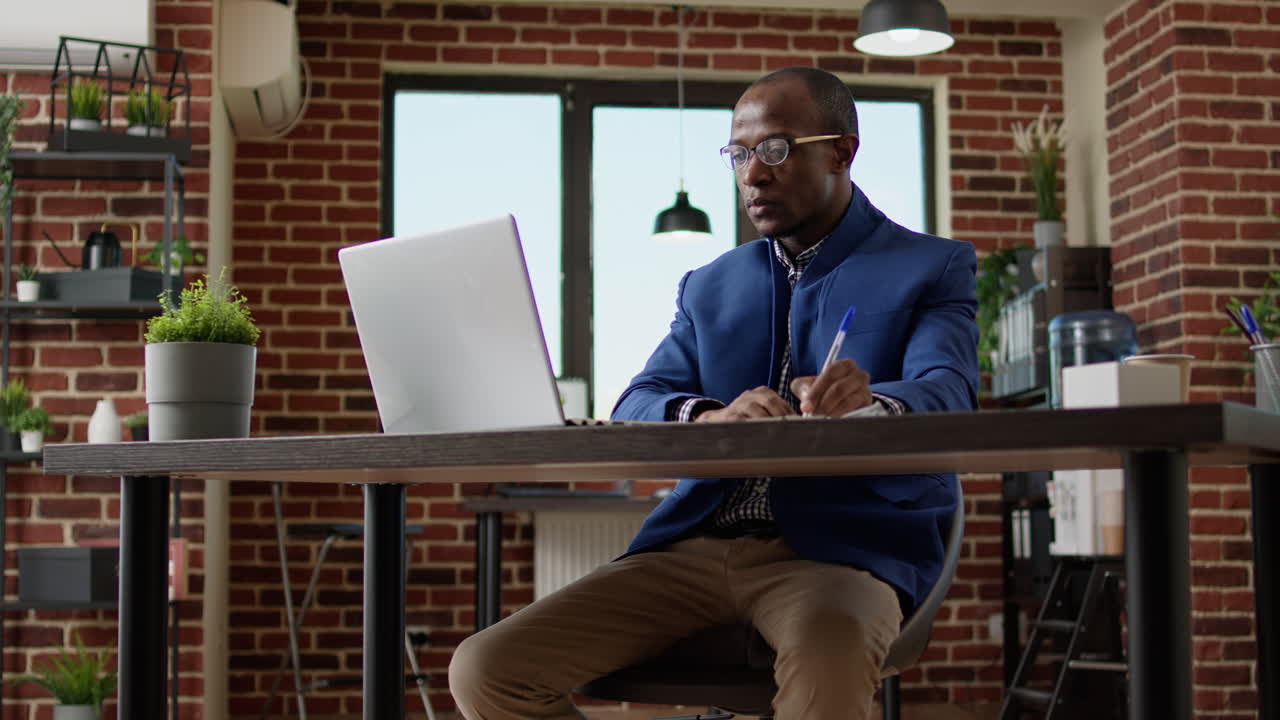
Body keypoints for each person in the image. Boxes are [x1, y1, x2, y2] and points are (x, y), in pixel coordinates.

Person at [450, 66, 978, 720]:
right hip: (693, 547)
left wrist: (871, 406)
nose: (753, 174)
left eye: (777, 150)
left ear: (842, 151)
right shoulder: (708, 285)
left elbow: (948, 392)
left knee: (829, 660)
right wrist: (711, 414)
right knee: (488, 669)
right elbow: (639, 400)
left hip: (841, 550)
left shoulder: (931, 266)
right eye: (740, 153)